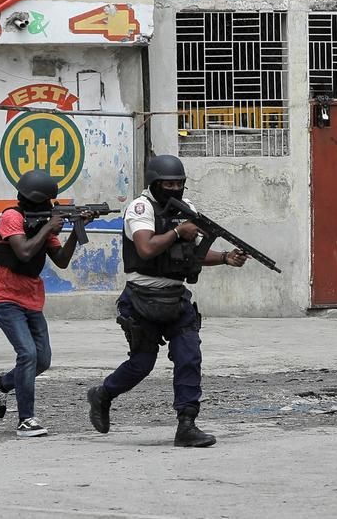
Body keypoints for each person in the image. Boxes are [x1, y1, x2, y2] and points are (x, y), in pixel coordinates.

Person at [86, 155, 247, 448]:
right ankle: (103, 394)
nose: (173, 188)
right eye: (167, 184)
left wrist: (225, 258)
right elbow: (145, 248)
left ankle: (187, 424)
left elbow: (194, 253)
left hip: (175, 298)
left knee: (189, 356)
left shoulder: (187, 212)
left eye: (178, 184)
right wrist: (176, 231)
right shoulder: (140, 208)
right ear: (154, 183)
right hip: (141, 298)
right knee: (142, 364)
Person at [0, 169, 93, 438]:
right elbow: (24, 251)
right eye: (48, 202)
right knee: (28, 354)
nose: (51, 207)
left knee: (42, 359)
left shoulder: (44, 223)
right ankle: (26, 419)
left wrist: (77, 230)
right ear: (35, 200)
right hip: (2, 297)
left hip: (30, 298)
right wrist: (48, 227)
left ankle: (2, 384)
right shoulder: (12, 217)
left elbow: (62, 260)